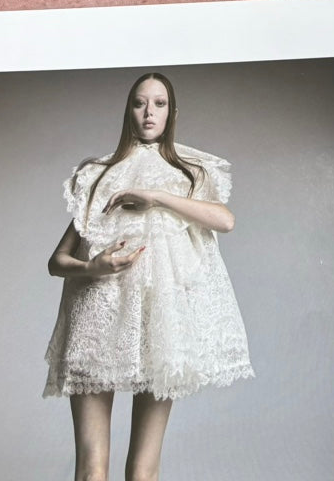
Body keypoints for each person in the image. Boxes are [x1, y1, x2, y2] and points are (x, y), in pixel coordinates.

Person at [44, 73, 253, 481]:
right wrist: (93, 267)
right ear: (128, 111)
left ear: (172, 112)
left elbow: (225, 220)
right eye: (140, 103)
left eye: (159, 103)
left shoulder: (189, 173)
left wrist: (156, 197)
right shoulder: (99, 174)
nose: (149, 113)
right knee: (91, 470)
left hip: (158, 322)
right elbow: (57, 261)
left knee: (143, 472)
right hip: (97, 318)